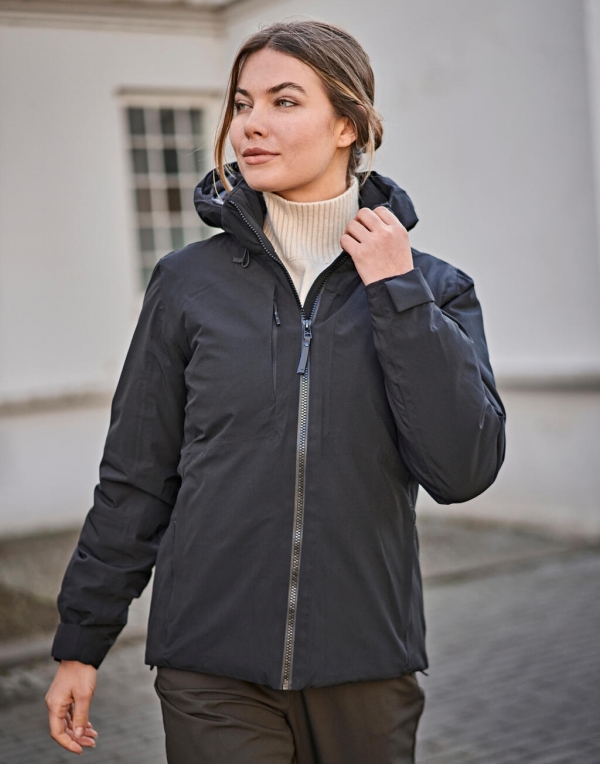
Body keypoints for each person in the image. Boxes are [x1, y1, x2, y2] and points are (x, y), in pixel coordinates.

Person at [45, 19, 506, 764]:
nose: (250, 124)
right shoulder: (187, 284)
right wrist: (80, 642)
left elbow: (464, 469)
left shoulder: (431, 288)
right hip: (209, 663)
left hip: (367, 665)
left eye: (283, 101)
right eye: (242, 103)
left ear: (348, 125)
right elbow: (135, 475)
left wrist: (398, 292)